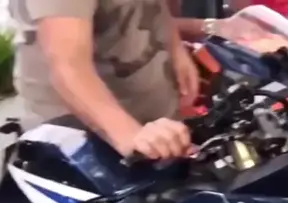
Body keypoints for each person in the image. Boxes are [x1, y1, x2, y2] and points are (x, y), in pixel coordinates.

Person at [8, 0, 221, 160]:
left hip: (154, 123)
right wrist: (132, 137)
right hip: (87, 143)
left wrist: (175, 49)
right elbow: (68, 67)